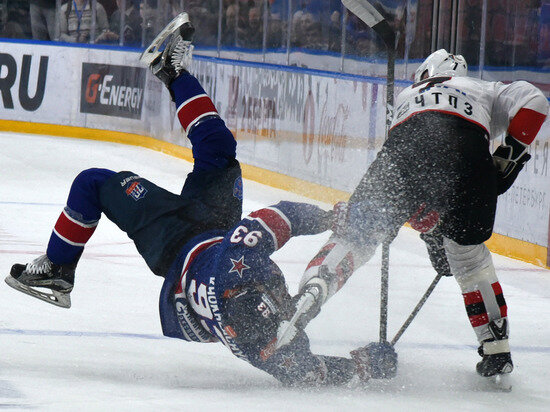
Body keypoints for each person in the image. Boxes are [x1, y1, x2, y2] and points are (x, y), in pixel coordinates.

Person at [5, 12, 384, 387]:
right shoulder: (258, 342)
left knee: (91, 184)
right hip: (214, 224)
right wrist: (365, 367)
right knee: (219, 149)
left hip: (173, 244)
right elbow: (306, 372)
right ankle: (171, 71)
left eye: (278, 301)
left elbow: (279, 215)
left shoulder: (242, 281)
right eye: (282, 300)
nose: (283, 297)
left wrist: (333, 219)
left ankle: (56, 270)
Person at [279, 49, 549, 380]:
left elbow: (419, 194)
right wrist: (508, 156)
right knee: (469, 258)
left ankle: (309, 296)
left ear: (424, 74)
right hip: (468, 158)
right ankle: (496, 352)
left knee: (358, 233)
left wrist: (429, 229)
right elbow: (536, 102)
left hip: (404, 153)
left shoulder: (409, 96)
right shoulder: (484, 89)